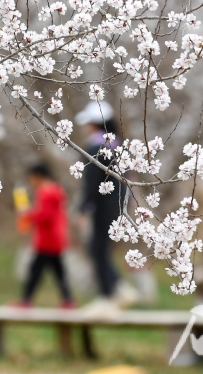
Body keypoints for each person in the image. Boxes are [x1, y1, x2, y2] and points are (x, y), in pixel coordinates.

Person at [75, 101, 138, 313]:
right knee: (100, 250)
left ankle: (109, 295)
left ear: (94, 124)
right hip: (118, 206)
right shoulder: (117, 146)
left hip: (102, 207)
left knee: (97, 249)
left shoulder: (97, 147)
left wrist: (83, 209)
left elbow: (91, 183)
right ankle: (116, 290)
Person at [15, 163, 74, 308]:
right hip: (57, 237)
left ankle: (26, 301)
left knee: (35, 271)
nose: (31, 182)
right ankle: (68, 301)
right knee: (58, 272)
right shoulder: (57, 189)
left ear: (37, 176)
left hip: (47, 239)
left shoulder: (45, 191)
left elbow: (44, 215)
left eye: (31, 179)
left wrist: (27, 214)